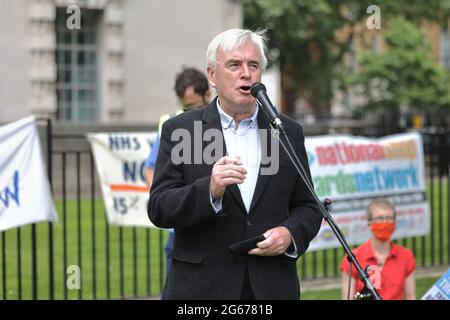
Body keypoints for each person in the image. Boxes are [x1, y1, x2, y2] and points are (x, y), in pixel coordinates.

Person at [147, 28, 322, 300]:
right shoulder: (181, 130)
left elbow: (309, 206)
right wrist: (210, 190)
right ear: (212, 76)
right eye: (234, 65)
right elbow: (160, 207)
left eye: (253, 65)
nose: (246, 73)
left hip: (271, 287)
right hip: (201, 290)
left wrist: (290, 233)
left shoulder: (286, 131)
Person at [145, 67, 210, 275]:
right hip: (180, 231)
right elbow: (150, 168)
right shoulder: (171, 124)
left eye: (193, 106)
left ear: (207, 94)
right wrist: (164, 198)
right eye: (184, 107)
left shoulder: (224, 122)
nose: (187, 112)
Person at [340, 198, 416, 300]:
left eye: (389, 218)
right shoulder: (353, 258)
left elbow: (411, 296)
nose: (385, 223)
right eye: (380, 218)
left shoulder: (406, 256)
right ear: (369, 222)